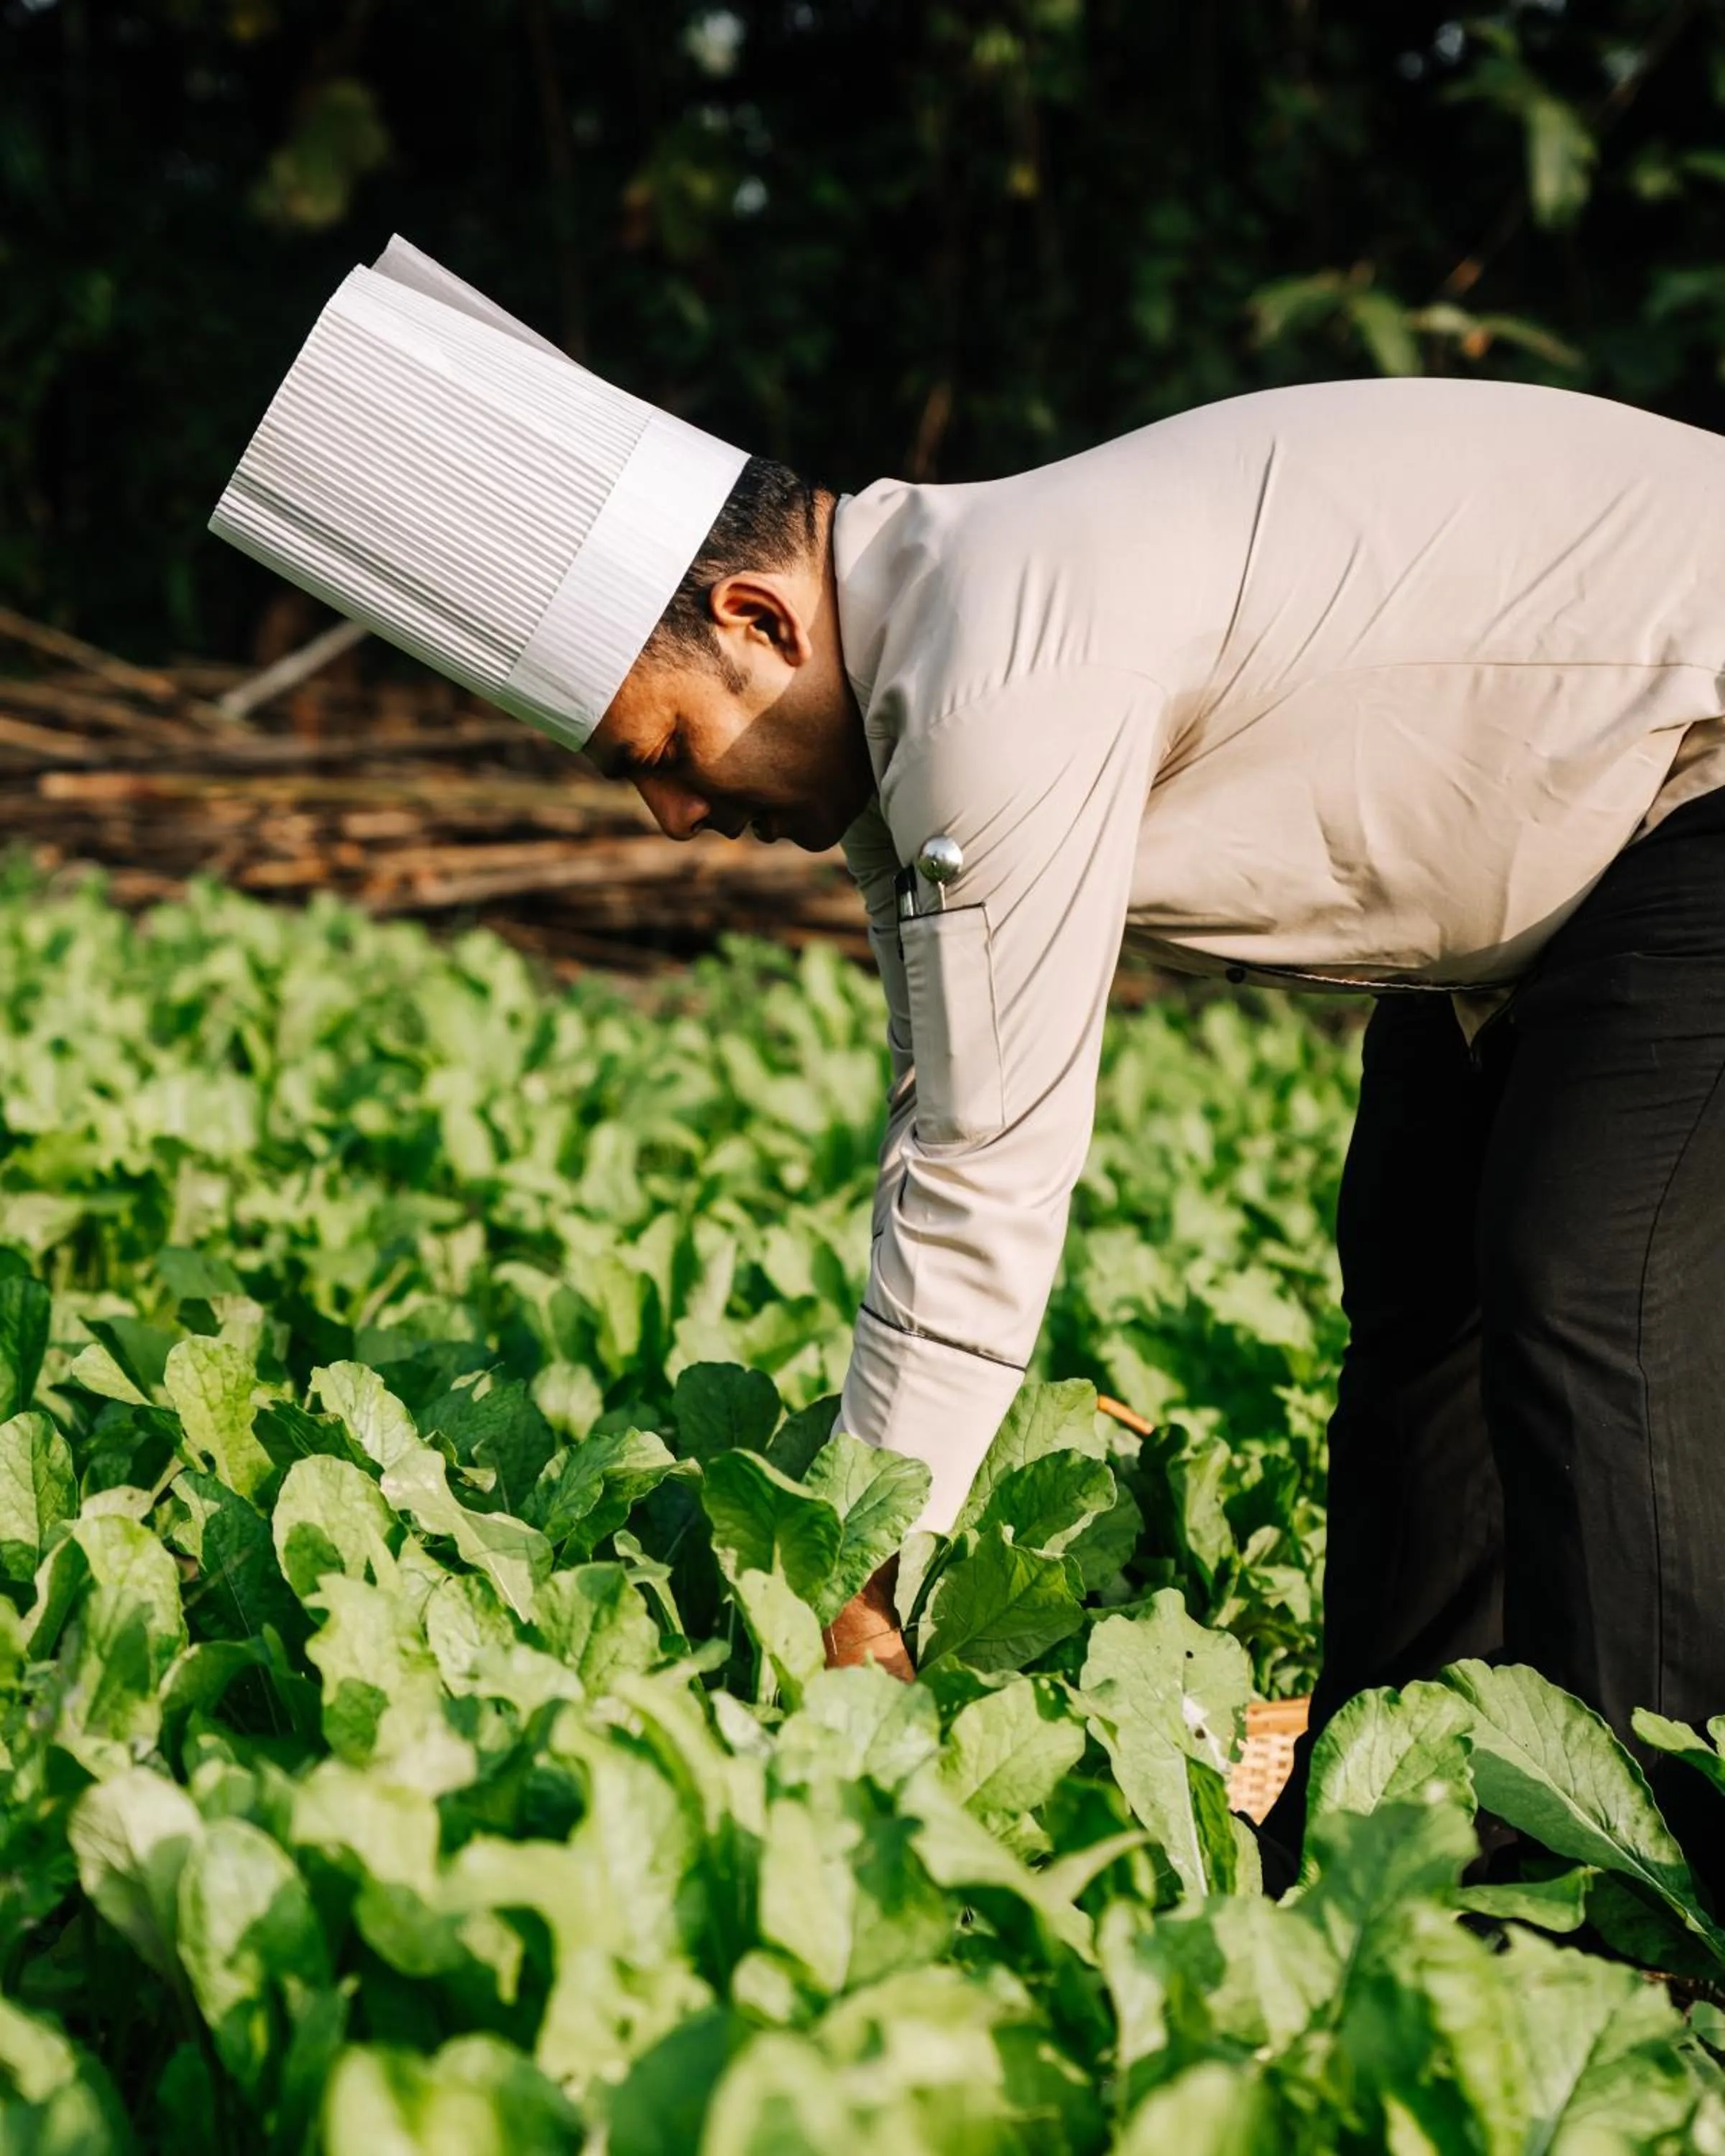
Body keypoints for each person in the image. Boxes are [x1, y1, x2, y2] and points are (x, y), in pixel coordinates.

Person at [212, 236, 1725, 1892]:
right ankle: (1399, 1820)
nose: (673, 814)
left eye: (660, 749)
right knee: (1423, 1278)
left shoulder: (997, 669)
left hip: (1693, 757)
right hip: (1563, 843)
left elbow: (984, 1170)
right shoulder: (930, 663)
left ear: (755, 616)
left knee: (1590, 1276)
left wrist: (861, 1569)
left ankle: (1655, 1878)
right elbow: (942, 1104)